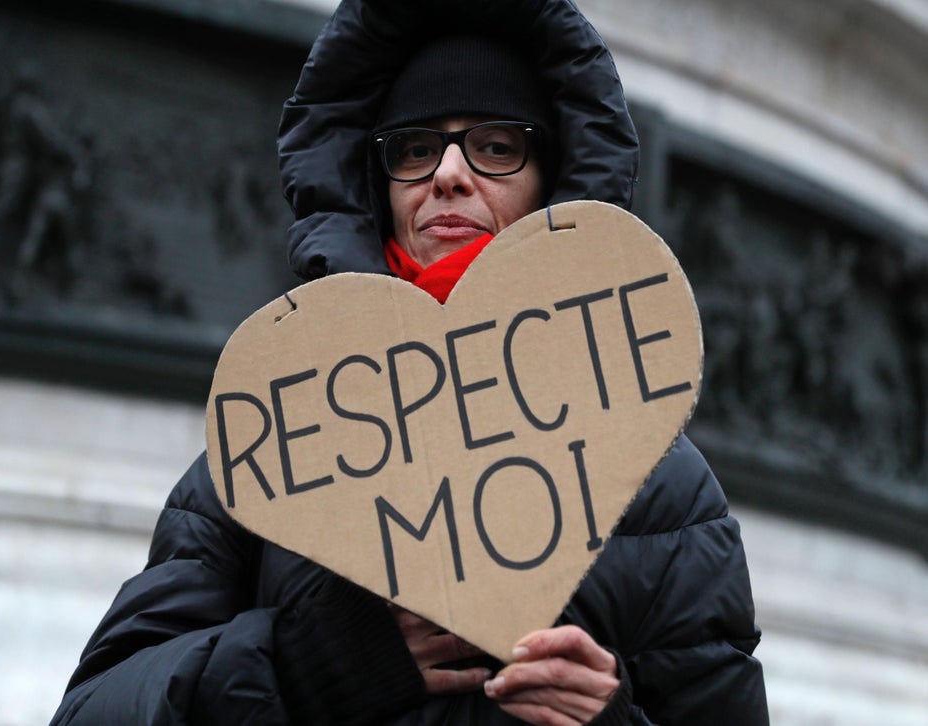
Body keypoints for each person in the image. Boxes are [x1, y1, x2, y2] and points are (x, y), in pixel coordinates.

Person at [52, 1, 768, 724]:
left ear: (551, 184)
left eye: (495, 147)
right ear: (377, 184)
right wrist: (314, 666)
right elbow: (96, 710)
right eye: (415, 149)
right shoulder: (276, 435)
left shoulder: (667, 489)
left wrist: (607, 720)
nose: (448, 174)